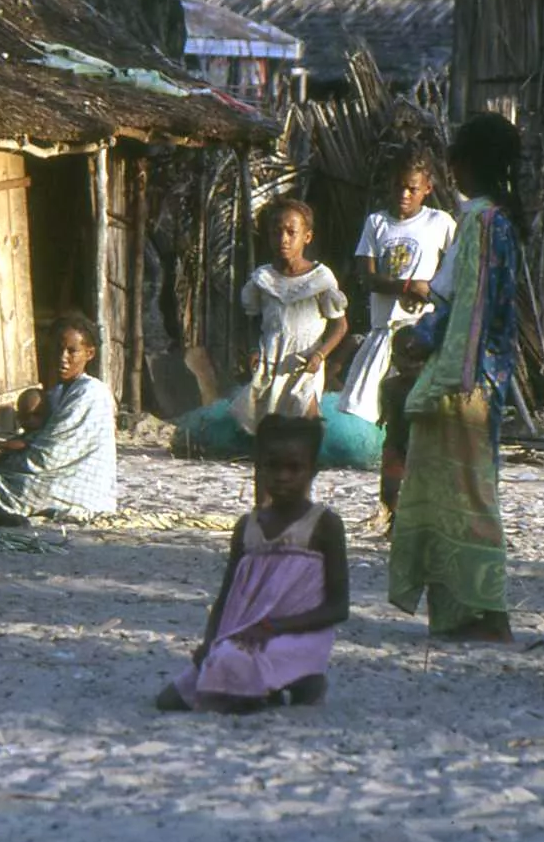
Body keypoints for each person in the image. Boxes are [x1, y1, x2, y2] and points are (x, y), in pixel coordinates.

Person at [389, 113, 525, 644]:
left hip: (467, 380)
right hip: (481, 375)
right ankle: (460, 612)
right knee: (460, 491)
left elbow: (471, 306)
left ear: (464, 164)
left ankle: (488, 613)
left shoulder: (483, 224)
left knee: (467, 494)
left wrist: (431, 350)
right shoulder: (496, 222)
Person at [157, 415, 349, 714]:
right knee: (171, 700)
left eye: (294, 468)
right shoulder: (247, 527)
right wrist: (209, 641)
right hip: (245, 635)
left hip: (298, 636)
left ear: (313, 471)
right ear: (259, 468)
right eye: (273, 466)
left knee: (234, 675)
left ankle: (303, 681)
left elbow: (338, 608)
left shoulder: (324, 525)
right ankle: (275, 691)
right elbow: (226, 596)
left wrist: (272, 626)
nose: (282, 477)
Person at [337, 155, 456, 423]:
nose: (404, 194)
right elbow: (366, 277)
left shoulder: (439, 222)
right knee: (370, 407)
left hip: (421, 331)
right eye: (399, 186)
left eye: (412, 189)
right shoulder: (377, 223)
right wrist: (406, 286)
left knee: (419, 403)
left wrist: (432, 289)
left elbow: (459, 267)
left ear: (427, 189)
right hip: (384, 328)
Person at [0, 317, 117, 521]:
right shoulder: (55, 394)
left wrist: (3, 462)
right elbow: (38, 436)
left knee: (4, 482)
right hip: (57, 471)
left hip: (81, 483)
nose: (63, 357)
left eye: (72, 351)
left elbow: (53, 454)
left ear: (90, 354)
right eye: (59, 350)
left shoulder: (91, 392)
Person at [231, 198, 349, 433]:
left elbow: (340, 326)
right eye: (276, 233)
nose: (283, 239)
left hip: (303, 363)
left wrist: (320, 355)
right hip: (270, 361)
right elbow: (251, 319)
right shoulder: (263, 279)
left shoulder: (320, 279)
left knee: (306, 418)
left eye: (291, 232)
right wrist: (253, 348)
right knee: (266, 423)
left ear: (307, 237)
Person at [376, 326, 428, 526]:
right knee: (390, 487)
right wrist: (383, 416)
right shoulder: (389, 386)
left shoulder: (428, 388)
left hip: (422, 446)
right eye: (403, 358)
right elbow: (386, 411)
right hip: (395, 443)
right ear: (394, 359)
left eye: (415, 359)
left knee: (421, 487)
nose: (409, 364)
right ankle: (393, 516)